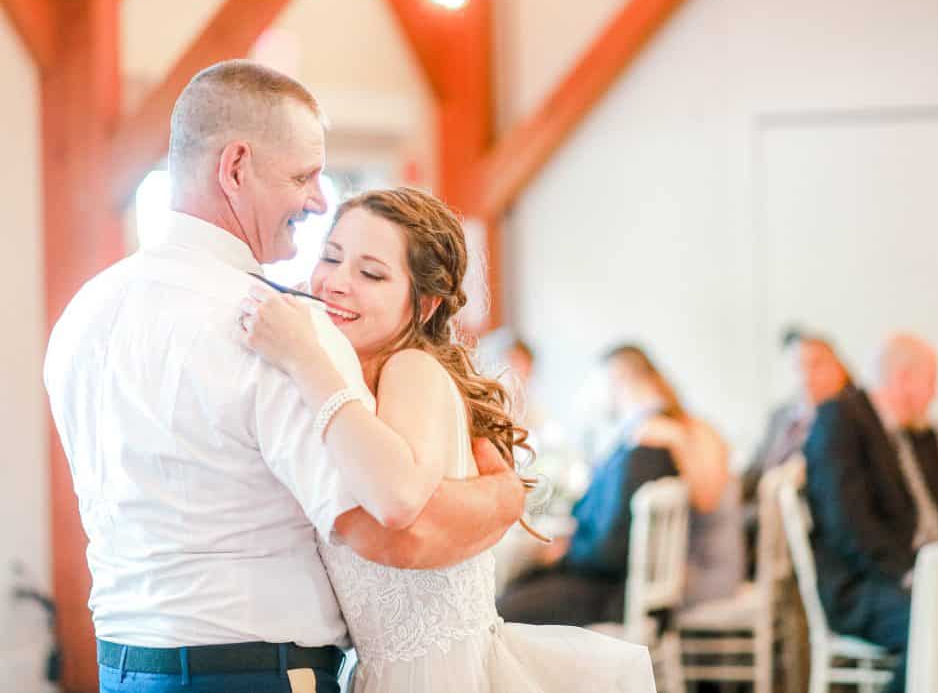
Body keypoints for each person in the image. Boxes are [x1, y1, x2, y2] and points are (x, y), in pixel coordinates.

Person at [43, 61, 525, 693]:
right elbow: (395, 535)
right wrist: (505, 494)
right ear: (236, 167)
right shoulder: (277, 326)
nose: (319, 200)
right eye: (303, 175)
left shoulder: (84, 311)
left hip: (123, 666)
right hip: (256, 671)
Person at [242, 187, 656, 693]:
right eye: (331, 258)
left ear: (425, 305)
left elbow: (396, 501)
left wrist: (304, 360)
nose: (337, 284)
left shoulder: (412, 369)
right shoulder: (362, 386)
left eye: (371, 273)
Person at [497, 345, 741, 625]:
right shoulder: (655, 431)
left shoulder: (654, 439)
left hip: (664, 578)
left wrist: (566, 552)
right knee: (519, 585)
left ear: (618, 378)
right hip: (647, 572)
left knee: (505, 607)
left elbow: (614, 546)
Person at [802, 334, 938, 693]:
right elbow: (848, 527)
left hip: (917, 572)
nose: (935, 394)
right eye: (931, 381)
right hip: (863, 585)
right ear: (904, 377)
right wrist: (911, 575)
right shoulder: (840, 420)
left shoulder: (911, 433)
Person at [741, 334, 851, 573]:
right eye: (800, 366)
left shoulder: (845, 420)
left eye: (816, 364)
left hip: (798, 520)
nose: (807, 374)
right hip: (758, 510)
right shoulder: (780, 416)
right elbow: (753, 470)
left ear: (839, 370)